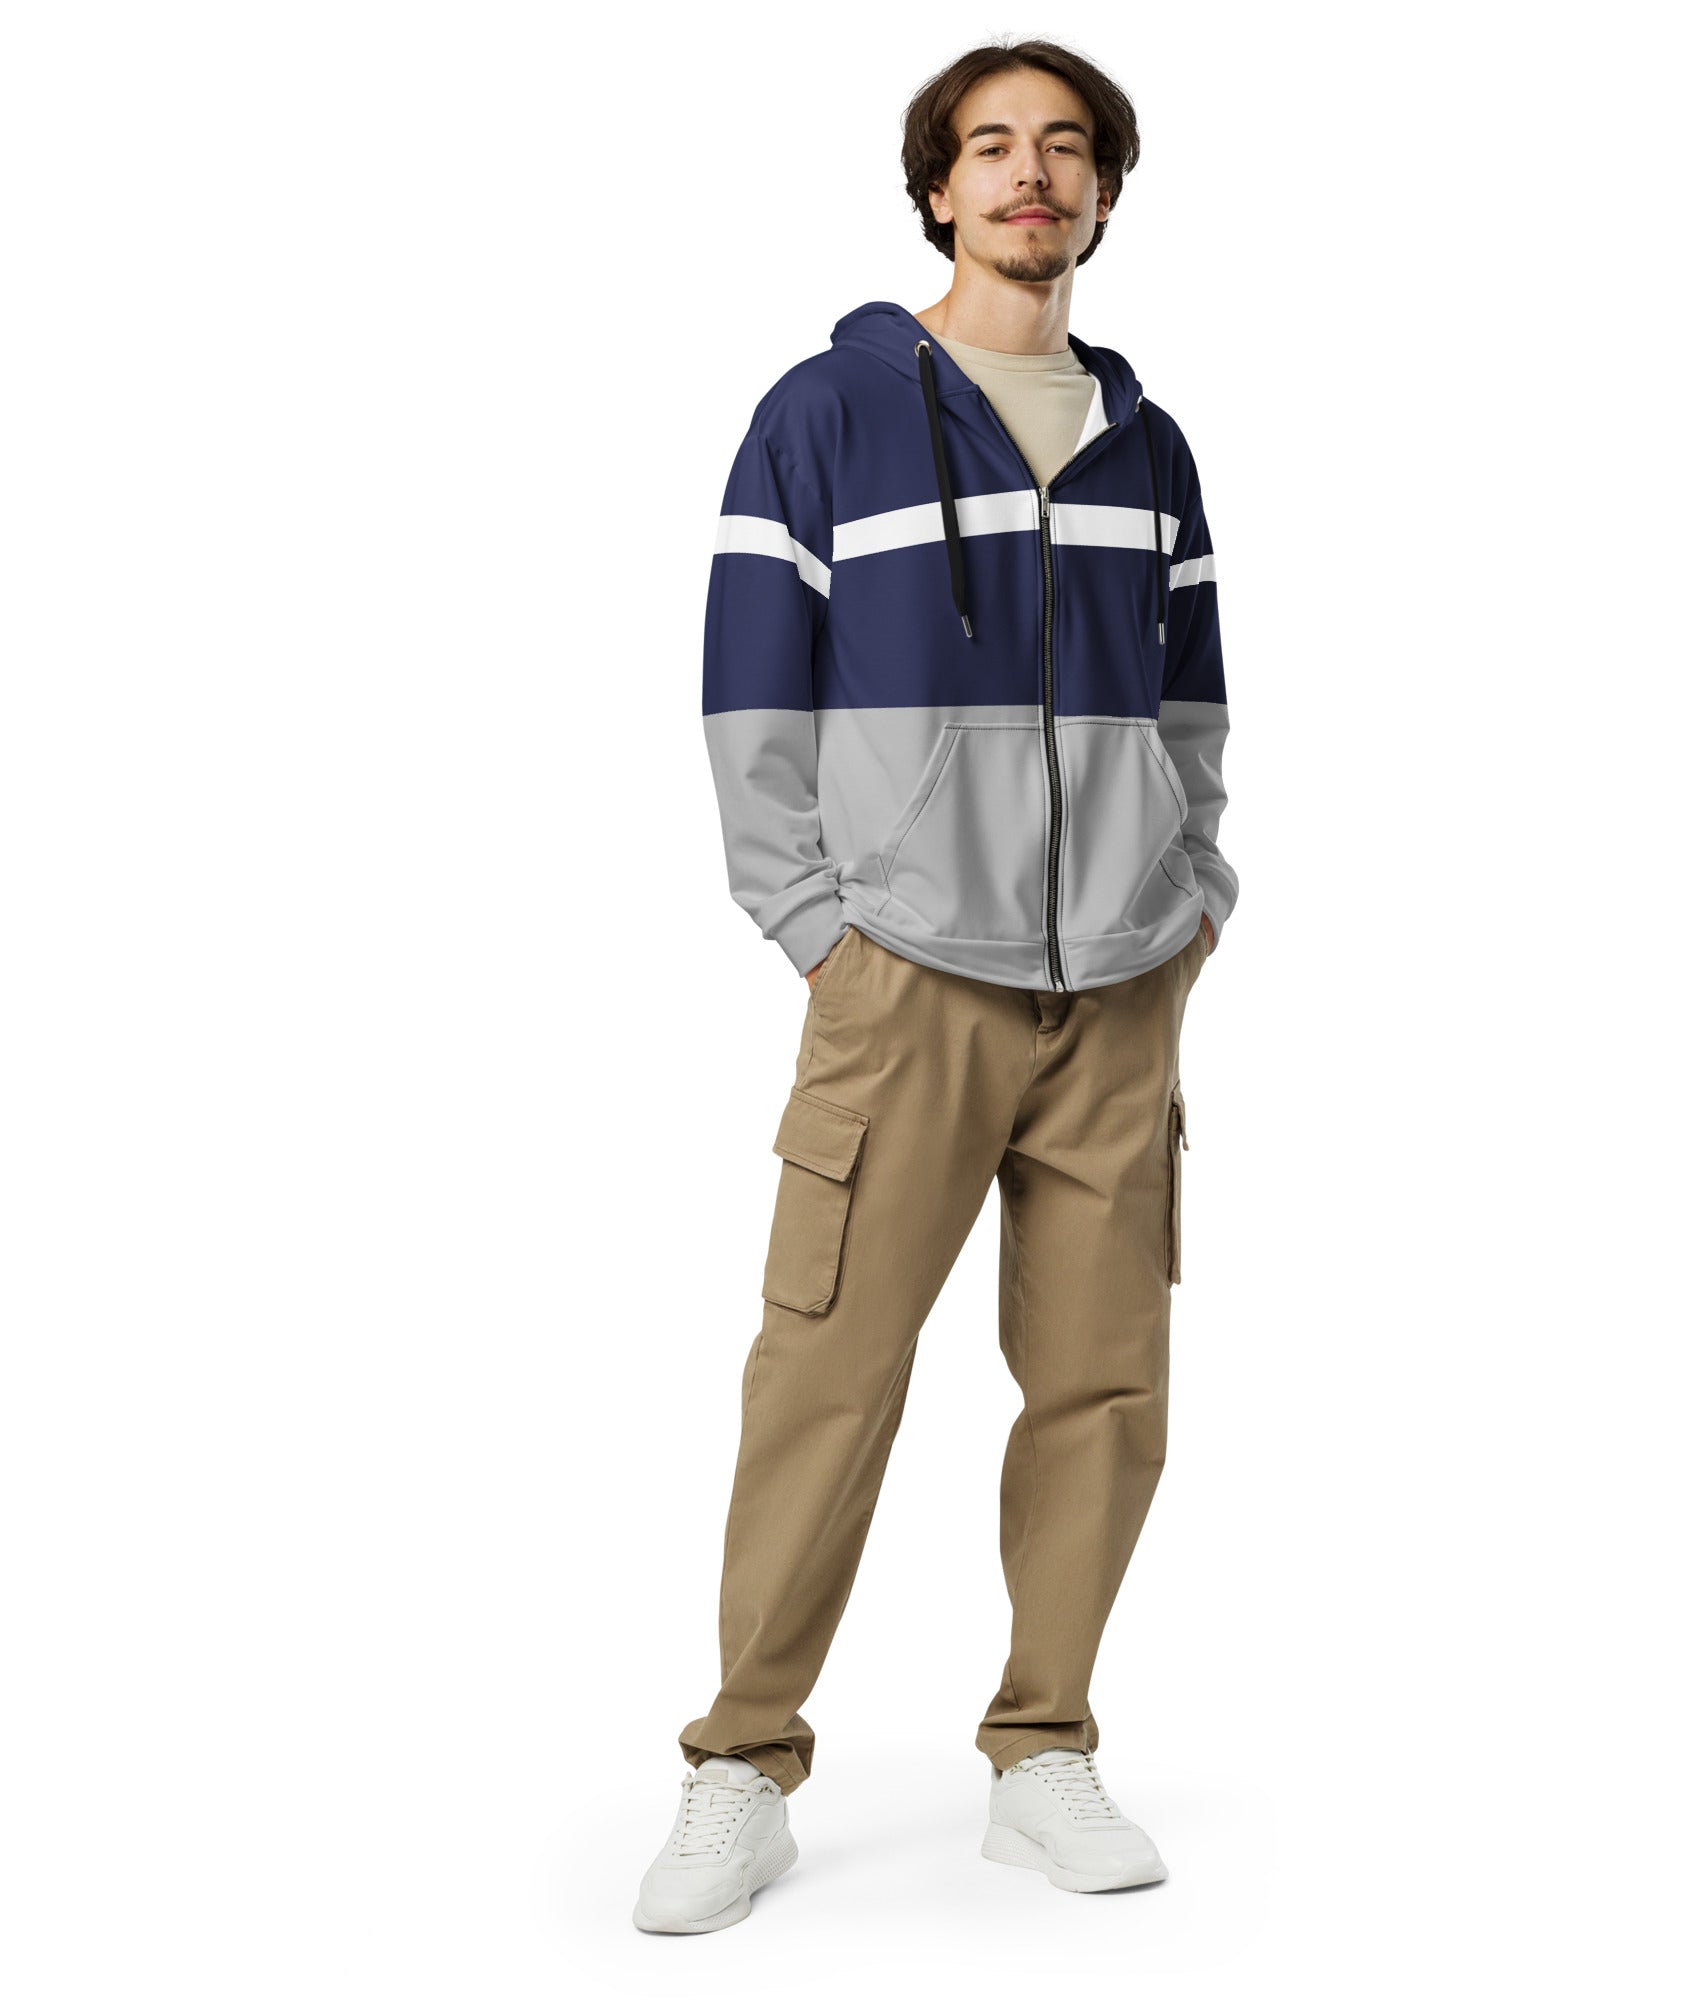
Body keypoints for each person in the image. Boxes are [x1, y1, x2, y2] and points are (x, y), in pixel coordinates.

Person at [635, 36, 1239, 1933]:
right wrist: (824, 929)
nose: (1028, 175)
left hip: (1121, 987)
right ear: (937, 191)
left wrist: (1192, 895)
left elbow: (1194, 709)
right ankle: (741, 1765)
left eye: (1064, 148)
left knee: (1104, 1384)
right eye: (992, 148)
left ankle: (1042, 1745)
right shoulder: (826, 414)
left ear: (1104, 193)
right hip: (906, 984)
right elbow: (749, 701)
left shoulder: (1149, 442)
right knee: (827, 1373)